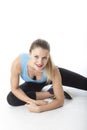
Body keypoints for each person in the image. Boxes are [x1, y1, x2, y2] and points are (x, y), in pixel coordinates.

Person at [7, 39, 87, 112]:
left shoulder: (54, 70)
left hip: (50, 76)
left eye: (44, 58)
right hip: (33, 83)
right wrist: (33, 101)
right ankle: (51, 92)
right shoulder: (18, 63)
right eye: (36, 56)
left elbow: (60, 101)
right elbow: (15, 88)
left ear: (48, 57)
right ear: (30, 53)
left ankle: (56, 89)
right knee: (11, 98)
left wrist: (39, 108)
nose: (40, 62)